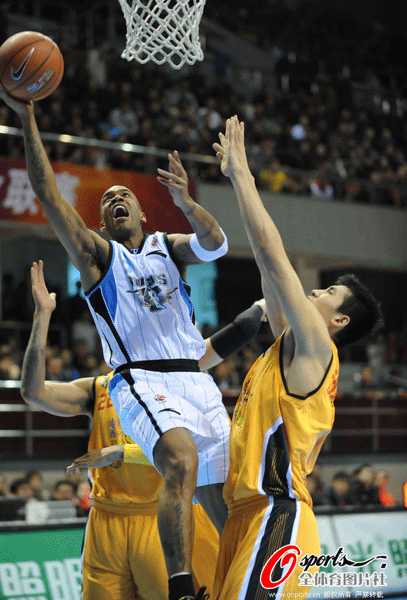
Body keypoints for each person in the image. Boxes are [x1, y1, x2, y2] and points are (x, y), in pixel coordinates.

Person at [0, 77, 230, 600]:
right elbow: (47, 193)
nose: (118, 200)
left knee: (222, 499)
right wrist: (27, 115)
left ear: (144, 213)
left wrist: (189, 203)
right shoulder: (101, 257)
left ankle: (247, 577)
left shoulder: (168, 247)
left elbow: (216, 245)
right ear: (101, 221)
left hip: (196, 379)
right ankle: (181, 588)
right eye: (108, 201)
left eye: (126, 196)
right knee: (181, 461)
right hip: (141, 380)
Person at [210, 116, 384, 599]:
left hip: (276, 515)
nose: (314, 289)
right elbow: (266, 262)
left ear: (339, 322)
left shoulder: (316, 347)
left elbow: (272, 250)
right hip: (246, 516)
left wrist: (241, 174)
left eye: (327, 291)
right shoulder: (288, 346)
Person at [21, 260, 266, 600]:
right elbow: (33, 393)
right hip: (105, 521)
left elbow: (237, 332)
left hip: (157, 519)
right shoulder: (97, 388)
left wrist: (263, 303)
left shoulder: (186, 373)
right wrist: (42, 316)